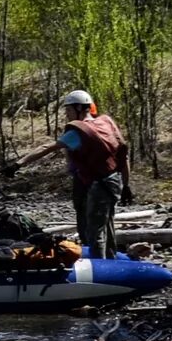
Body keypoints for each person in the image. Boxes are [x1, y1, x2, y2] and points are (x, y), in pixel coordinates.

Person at [54, 89, 129, 258]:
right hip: (112, 182)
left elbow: (46, 148)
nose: (67, 114)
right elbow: (123, 157)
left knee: (93, 229)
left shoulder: (78, 131)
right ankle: (110, 258)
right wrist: (126, 184)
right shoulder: (105, 125)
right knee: (106, 224)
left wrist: (18, 164)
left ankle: (98, 265)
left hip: (93, 184)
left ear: (79, 108)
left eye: (68, 110)